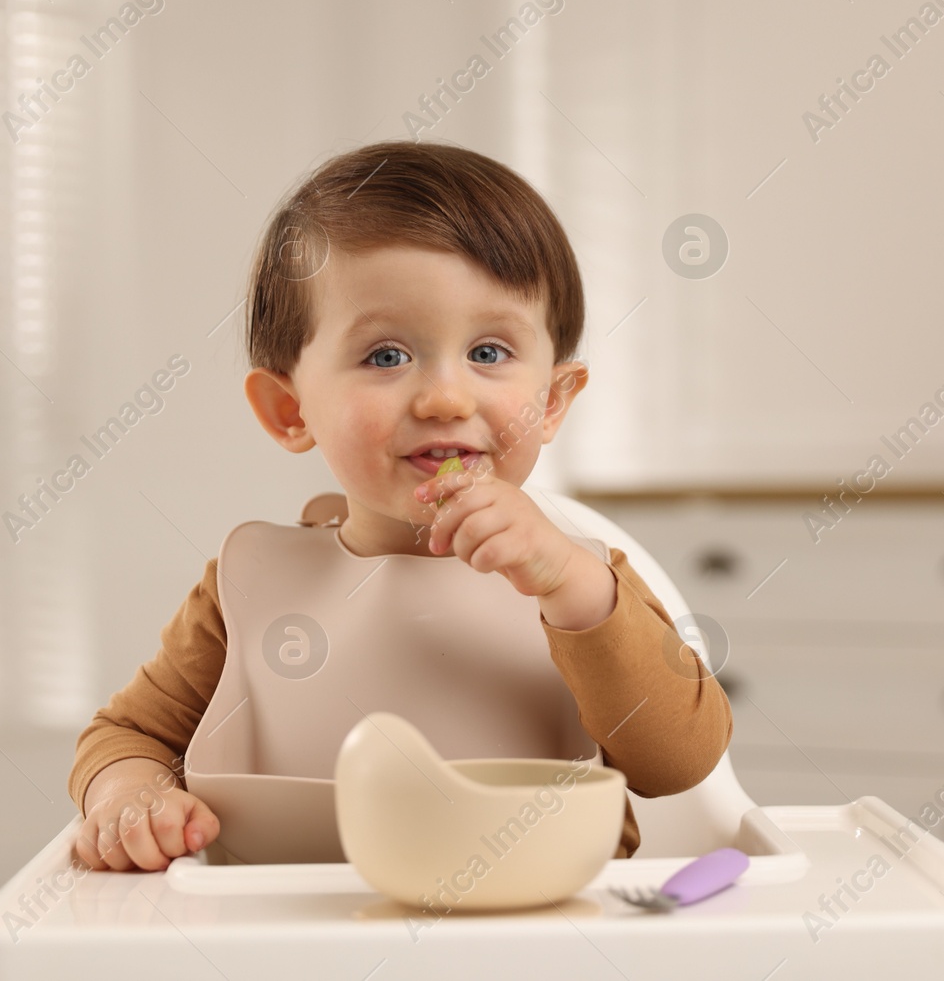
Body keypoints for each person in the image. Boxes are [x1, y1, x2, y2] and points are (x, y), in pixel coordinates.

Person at [68, 140, 731, 872]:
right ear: (291, 408)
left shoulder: (586, 584)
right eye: (386, 355)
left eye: (488, 352)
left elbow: (681, 760)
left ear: (552, 401)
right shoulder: (251, 585)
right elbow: (128, 736)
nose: (445, 397)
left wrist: (575, 589)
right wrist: (131, 797)